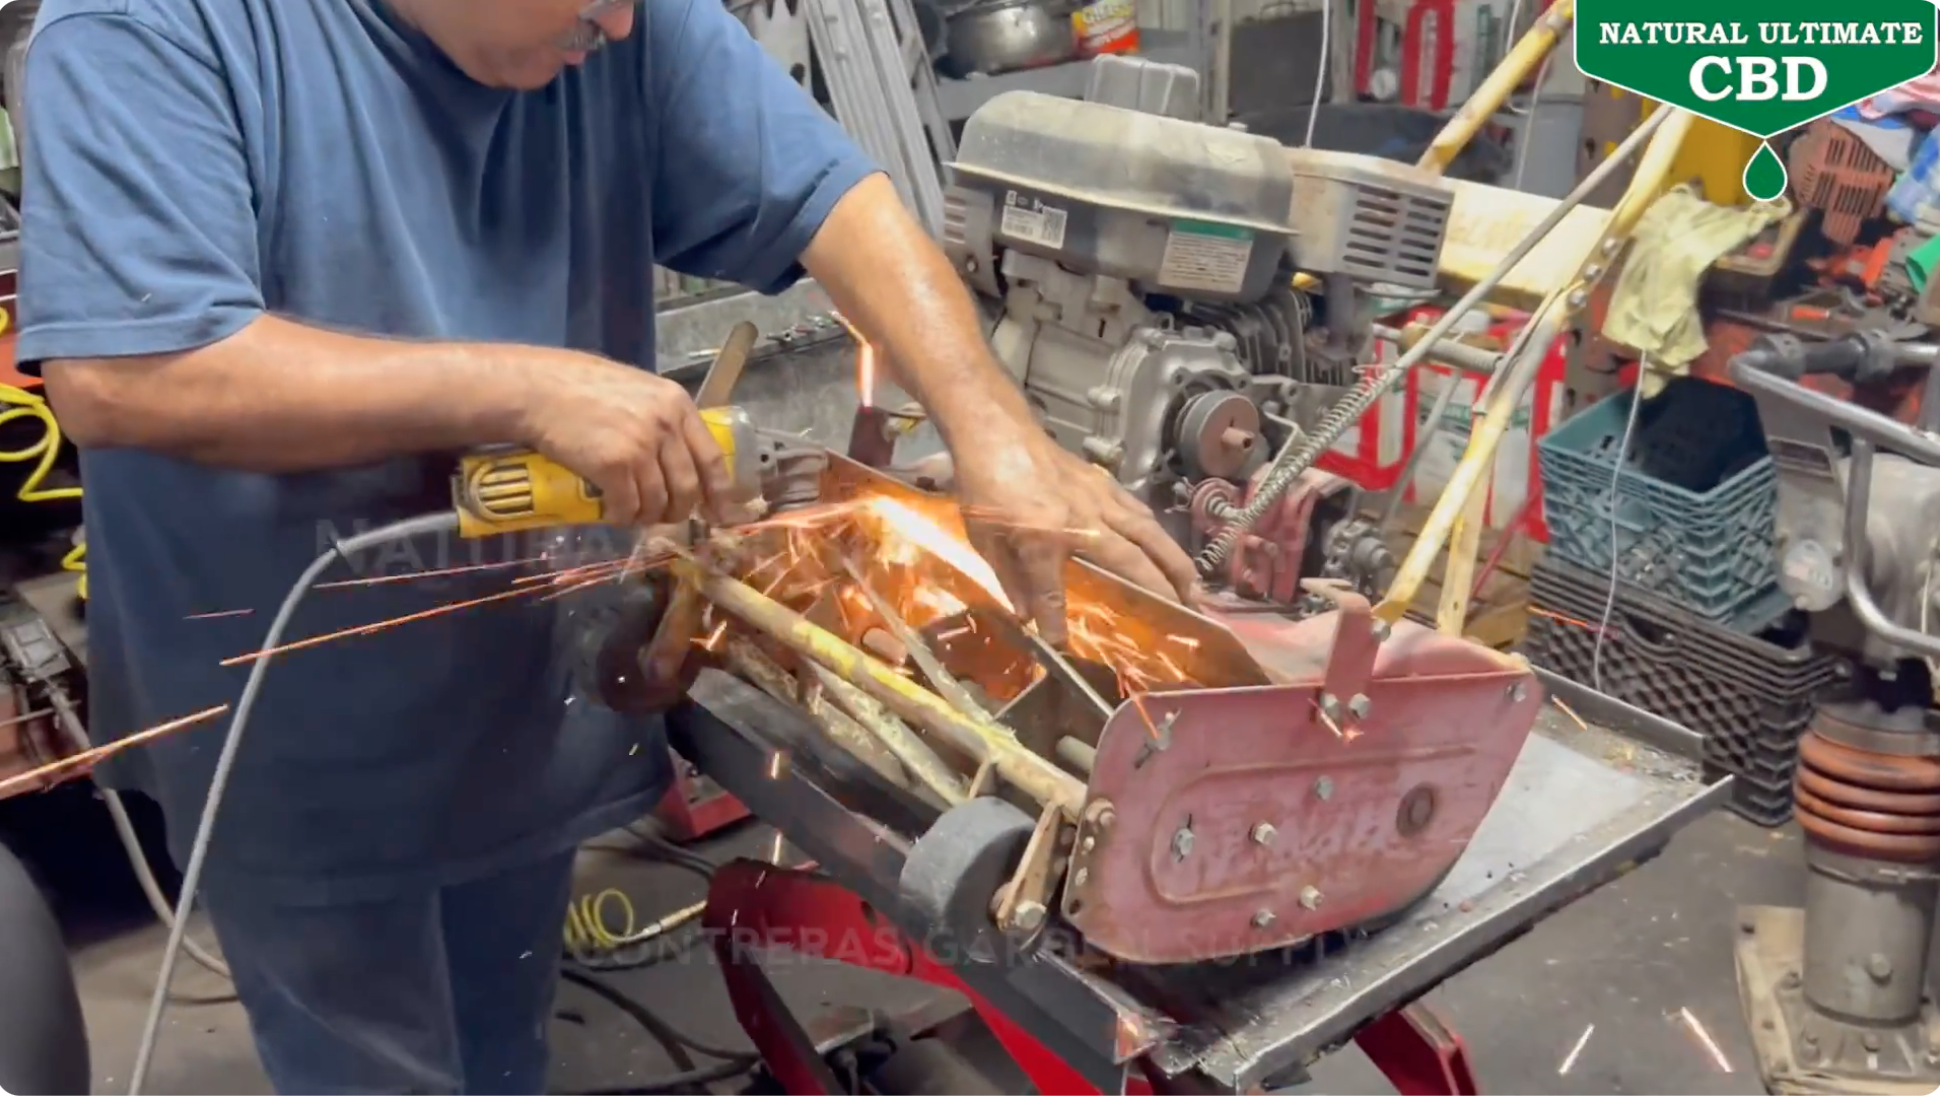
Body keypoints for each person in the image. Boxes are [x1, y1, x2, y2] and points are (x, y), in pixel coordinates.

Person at [16, 0, 1200, 1092]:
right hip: (289, 715)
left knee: (499, 1040)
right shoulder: (148, 24)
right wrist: (523, 389)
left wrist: (996, 434)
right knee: (367, 1061)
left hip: (513, 685)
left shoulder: (617, 17)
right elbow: (127, 375)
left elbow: (836, 199)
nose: (627, 20)